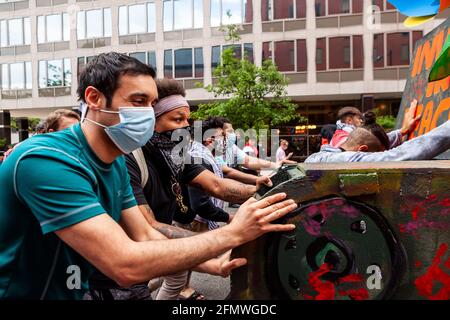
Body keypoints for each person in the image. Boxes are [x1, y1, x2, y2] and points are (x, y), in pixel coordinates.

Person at [0, 52, 298, 299]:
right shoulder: (46, 161)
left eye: (151, 104)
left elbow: (144, 234)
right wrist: (232, 233)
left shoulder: (114, 160)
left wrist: (213, 261)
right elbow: (124, 263)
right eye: (138, 101)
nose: (147, 114)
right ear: (94, 98)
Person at [119, 78, 272, 300]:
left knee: (175, 273)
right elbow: (147, 227)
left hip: (147, 253)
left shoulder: (178, 153)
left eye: (187, 119)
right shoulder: (128, 158)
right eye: (177, 119)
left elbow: (216, 185)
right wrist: (226, 240)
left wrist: (256, 189)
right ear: (152, 120)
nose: (185, 126)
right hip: (123, 263)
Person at [305, 116, 450, 163]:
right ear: (362, 150)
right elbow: (398, 156)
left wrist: (401, 132)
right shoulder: (343, 161)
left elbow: (368, 140)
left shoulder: (322, 156)